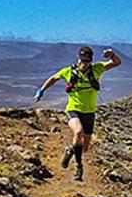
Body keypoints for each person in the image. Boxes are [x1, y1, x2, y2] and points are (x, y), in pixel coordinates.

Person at [33, 45, 121, 181]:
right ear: (78, 58)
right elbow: (54, 78)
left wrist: (112, 55)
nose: (84, 63)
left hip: (89, 112)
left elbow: (117, 63)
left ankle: (70, 151)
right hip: (73, 109)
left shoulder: (97, 69)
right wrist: (41, 90)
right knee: (78, 132)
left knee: (84, 148)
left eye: (87, 61)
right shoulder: (69, 71)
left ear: (90, 61)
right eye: (82, 60)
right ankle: (79, 168)